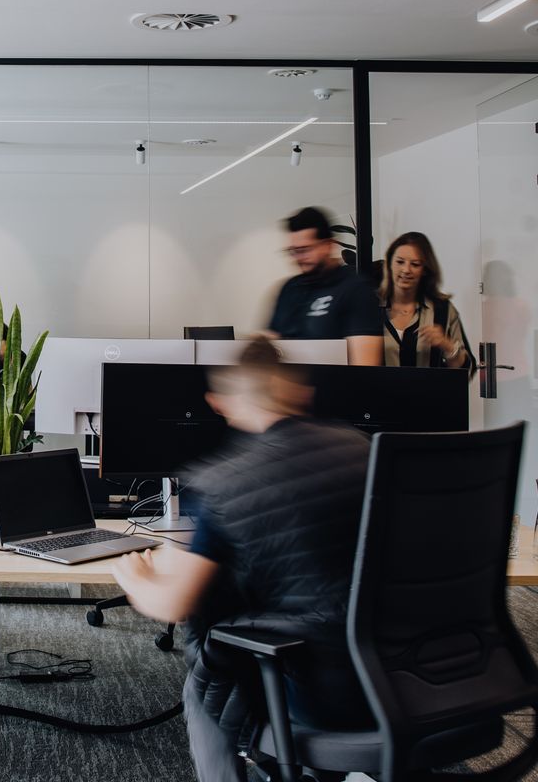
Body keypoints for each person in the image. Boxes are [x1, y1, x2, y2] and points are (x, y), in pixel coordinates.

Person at [109, 338, 373, 782]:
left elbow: (172, 605)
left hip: (318, 690)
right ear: (302, 394)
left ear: (223, 404)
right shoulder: (362, 448)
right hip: (408, 670)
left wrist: (135, 575)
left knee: (204, 676)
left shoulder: (224, 484)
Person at [267, 206, 383, 365]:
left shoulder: (356, 289)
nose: (298, 258)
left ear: (328, 245)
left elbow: (365, 368)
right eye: (293, 251)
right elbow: (270, 344)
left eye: (304, 250)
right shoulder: (289, 289)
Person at [379, 231, 475, 373]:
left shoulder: (443, 310)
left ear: (425, 269)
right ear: (390, 264)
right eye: (400, 262)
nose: (406, 270)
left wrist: (447, 345)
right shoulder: (370, 307)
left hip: (428, 395)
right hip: (378, 395)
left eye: (415, 264)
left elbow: (468, 371)